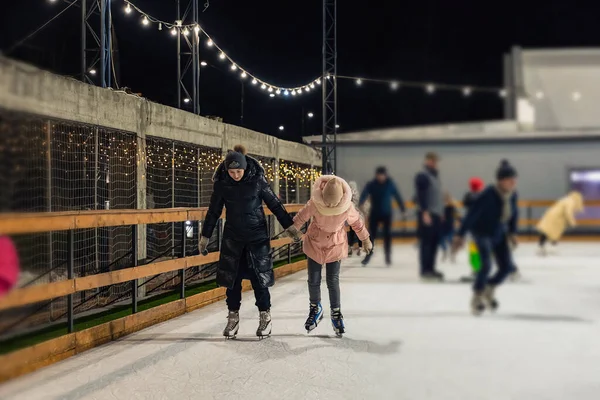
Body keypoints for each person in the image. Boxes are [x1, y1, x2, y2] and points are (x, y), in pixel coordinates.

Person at [199, 145, 300, 338]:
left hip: (256, 238)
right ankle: (233, 318)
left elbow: (275, 205)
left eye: (239, 171)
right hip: (233, 238)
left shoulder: (257, 180)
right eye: (232, 171)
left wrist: (290, 228)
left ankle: (265, 317)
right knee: (232, 281)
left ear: (245, 168)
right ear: (226, 170)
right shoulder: (222, 184)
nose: (235, 175)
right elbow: (213, 211)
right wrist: (205, 236)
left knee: (259, 280)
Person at [290, 176, 371, 336]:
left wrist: (365, 239)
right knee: (313, 279)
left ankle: (336, 313)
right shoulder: (315, 202)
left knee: (332, 280)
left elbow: (357, 224)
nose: (330, 205)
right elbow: (301, 216)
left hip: (336, 244)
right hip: (314, 243)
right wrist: (293, 229)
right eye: (328, 202)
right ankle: (315, 308)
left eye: (334, 203)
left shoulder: (347, 207)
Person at [452, 160, 519, 316]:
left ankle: (489, 289)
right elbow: (471, 214)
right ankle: (476, 297)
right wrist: (460, 235)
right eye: (510, 179)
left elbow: (514, 213)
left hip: (499, 233)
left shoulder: (512, 194)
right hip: (482, 233)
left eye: (515, 179)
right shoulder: (488, 194)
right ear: (501, 180)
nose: (514, 182)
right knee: (486, 265)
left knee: (507, 267)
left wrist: (513, 232)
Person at [359, 166, 405, 266]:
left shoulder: (390, 184)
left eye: (382, 175)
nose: (381, 177)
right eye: (379, 175)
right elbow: (365, 193)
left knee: (387, 235)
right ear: (376, 175)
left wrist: (402, 207)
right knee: (371, 236)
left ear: (385, 175)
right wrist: (361, 202)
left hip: (386, 214)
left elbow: (397, 195)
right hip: (375, 213)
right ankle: (368, 255)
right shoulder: (371, 184)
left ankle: (388, 256)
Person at [414, 152, 444, 280]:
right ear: (427, 161)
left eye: (436, 161)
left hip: (436, 214)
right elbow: (421, 196)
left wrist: (441, 213)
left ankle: (431, 268)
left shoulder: (435, 176)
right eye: (433, 161)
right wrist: (425, 212)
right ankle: (425, 270)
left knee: (434, 242)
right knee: (427, 243)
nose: (435, 163)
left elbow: (437, 196)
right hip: (427, 214)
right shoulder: (423, 176)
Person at [536, 191, 584, 256]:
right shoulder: (571, 202)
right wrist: (572, 222)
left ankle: (542, 247)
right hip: (557, 218)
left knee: (547, 231)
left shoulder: (566, 199)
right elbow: (568, 212)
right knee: (552, 232)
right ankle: (549, 247)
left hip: (552, 215)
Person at [461, 177, 485, 281]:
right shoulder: (483, 198)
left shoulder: (468, 198)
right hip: (482, 228)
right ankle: (482, 270)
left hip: (471, 228)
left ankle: (475, 269)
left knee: (473, 250)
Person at [439, 192, 460, 262]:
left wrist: (459, 220)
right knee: (441, 240)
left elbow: (457, 214)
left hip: (450, 226)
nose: (446, 201)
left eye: (448, 199)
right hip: (442, 226)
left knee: (451, 240)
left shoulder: (452, 207)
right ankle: (445, 251)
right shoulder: (441, 207)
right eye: (445, 199)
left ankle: (452, 253)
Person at [347, 181, 363, 256]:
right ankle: (354, 247)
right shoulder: (351, 195)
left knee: (354, 232)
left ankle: (356, 247)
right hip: (355, 216)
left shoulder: (351, 195)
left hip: (355, 216)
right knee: (354, 232)